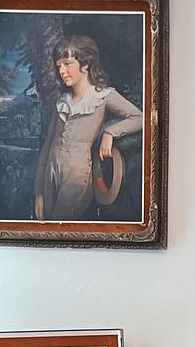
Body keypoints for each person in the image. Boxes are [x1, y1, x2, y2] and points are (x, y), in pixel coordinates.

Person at [33, 35, 144, 222]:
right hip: (50, 176)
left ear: (86, 65)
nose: (61, 71)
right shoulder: (62, 102)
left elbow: (140, 118)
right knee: (47, 225)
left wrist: (110, 132)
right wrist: (39, 192)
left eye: (67, 64)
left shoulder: (103, 96)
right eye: (59, 66)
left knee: (62, 226)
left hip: (78, 175)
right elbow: (47, 145)